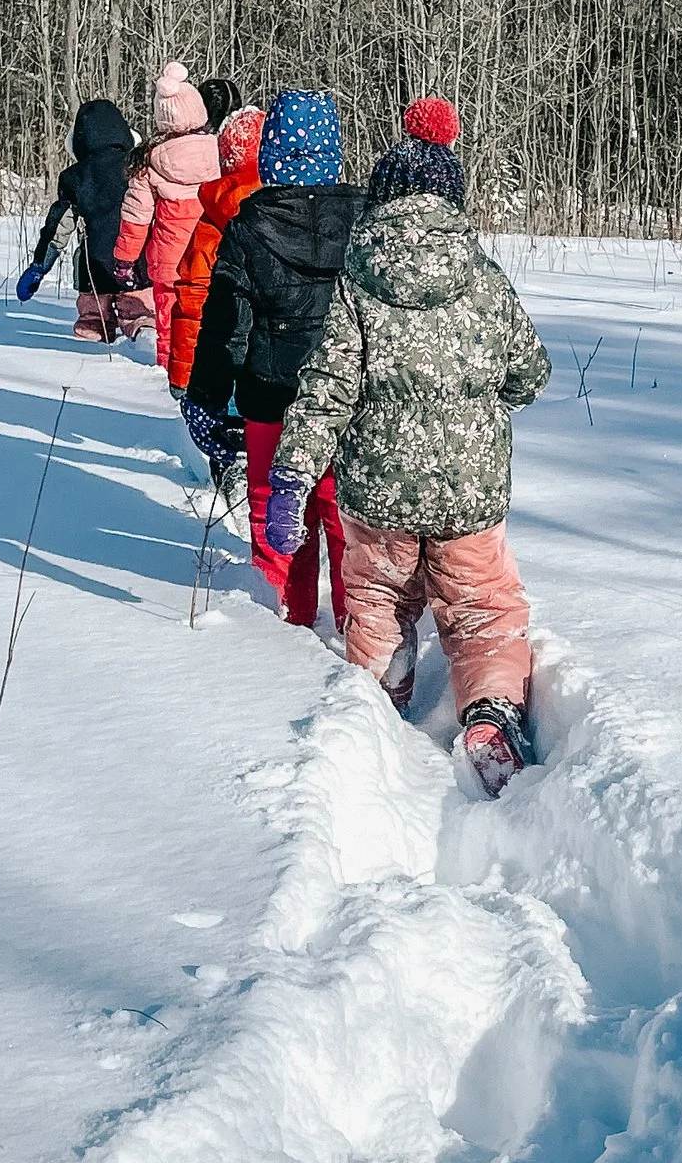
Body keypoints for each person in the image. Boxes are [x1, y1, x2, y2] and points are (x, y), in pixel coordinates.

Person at [265, 98, 550, 796]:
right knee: (482, 604)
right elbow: (530, 371)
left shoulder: (357, 281)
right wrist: (486, 399)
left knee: (378, 597)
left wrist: (294, 475)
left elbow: (326, 387)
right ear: (453, 198)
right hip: (469, 492)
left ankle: (383, 693)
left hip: (378, 494)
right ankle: (490, 713)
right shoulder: (483, 280)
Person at [183, 88, 359, 629]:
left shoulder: (248, 227)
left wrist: (206, 399)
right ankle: (361, 631)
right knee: (342, 515)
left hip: (270, 397)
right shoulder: (366, 221)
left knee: (273, 505)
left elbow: (224, 330)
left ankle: (285, 618)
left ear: (274, 156)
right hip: (348, 399)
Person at [111, 61, 223, 345]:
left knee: (171, 330)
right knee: (211, 327)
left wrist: (125, 260)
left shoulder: (149, 162)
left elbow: (136, 217)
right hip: (213, 256)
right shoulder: (219, 153)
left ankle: (165, 380)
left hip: (168, 263)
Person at [18, 97, 143, 338]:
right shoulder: (138, 167)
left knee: (93, 296)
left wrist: (40, 266)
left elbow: (59, 227)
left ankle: (93, 321)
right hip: (138, 260)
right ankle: (140, 322)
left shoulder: (74, 177)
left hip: (94, 264)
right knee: (137, 302)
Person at [167, 103, 264, 397]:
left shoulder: (211, 223)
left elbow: (192, 300)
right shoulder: (291, 213)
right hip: (279, 371)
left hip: (221, 363)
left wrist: (181, 374)